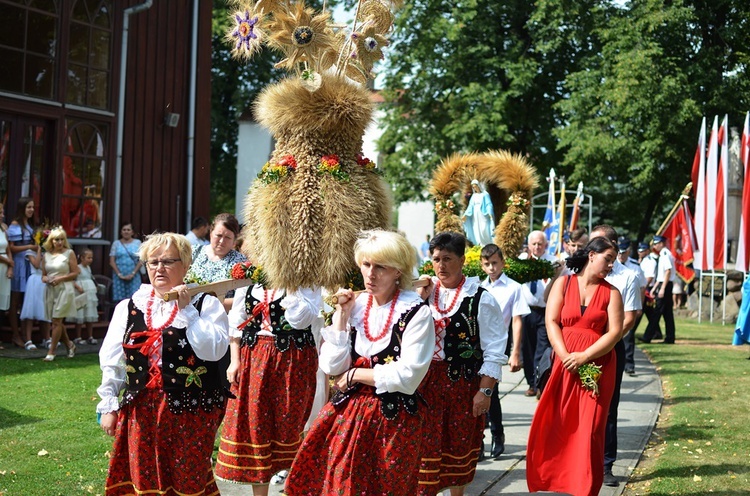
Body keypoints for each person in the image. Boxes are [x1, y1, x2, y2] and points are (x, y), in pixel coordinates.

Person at [285, 230, 434, 495]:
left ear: (398, 271)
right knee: (342, 484)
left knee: (387, 487)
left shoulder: (416, 312)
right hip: (350, 413)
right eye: (366, 265)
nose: (371, 274)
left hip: (394, 416)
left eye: (381, 267)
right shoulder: (356, 305)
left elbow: (409, 376)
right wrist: (341, 315)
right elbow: (331, 366)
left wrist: (356, 375)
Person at [96, 232, 230, 496]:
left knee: (187, 480)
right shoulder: (129, 307)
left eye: (168, 261)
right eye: (152, 262)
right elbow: (113, 360)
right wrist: (109, 403)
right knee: (144, 479)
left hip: (191, 411)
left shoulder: (205, 304)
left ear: (186, 264)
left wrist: (187, 311)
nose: (159, 268)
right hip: (141, 410)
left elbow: (214, 351)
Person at [526, 237, 623, 496]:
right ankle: (559, 480)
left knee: (590, 429)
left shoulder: (613, 293)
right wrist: (565, 355)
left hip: (598, 367)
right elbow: (552, 321)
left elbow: (614, 333)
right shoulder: (563, 283)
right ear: (592, 255)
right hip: (564, 363)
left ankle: (586, 487)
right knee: (558, 422)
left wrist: (585, 356)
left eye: (613, 261)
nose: (611, 265)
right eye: (608, 259)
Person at [415, 231, 507, 496]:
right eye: (436, 259)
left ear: (462, 260)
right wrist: (419, 299)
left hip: (463, 385)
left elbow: (494, 350)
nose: (441, 266)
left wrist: (485, 391)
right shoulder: (423, 295)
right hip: (425, 385)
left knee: (457, 449)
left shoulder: (481, 298)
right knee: (425, 451)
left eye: (448, 258)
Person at [215, 281, 322, 495]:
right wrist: (234, 361)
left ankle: (294, 488)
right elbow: (236, 326)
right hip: (253, 358)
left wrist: (291, 284)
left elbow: (300, 321)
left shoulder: (306, 285)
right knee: (256, 426)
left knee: (289, 424)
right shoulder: (249, 283)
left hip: (293, 360)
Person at [589, 227, 641, 488]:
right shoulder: (580, 271)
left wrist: (605, 343)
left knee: (607, 407)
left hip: (610, 347)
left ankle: (606, 464)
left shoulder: (626, 276)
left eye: (601, 242)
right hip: (579, 348)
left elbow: (630, 317)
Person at [480, 243, 529, 459]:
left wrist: (515, 352)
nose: (491, 268)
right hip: (477, 347)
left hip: (497, 347)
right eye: (487, 264)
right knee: (475, 393)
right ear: (482, 266)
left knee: (491, 393)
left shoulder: (514, 288)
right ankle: (477, 440)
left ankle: (497, 435)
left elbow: (517, 320)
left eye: (494, 263)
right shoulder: (479, 288)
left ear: (502, 263)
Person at [519, 230, 557, 396]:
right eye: (534, 244)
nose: (537, 247)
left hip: (544, 311)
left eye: (540, 244)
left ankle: (539, 383)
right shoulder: (522, 262)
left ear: (546, 245)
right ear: (529, 245)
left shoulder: (553, 262)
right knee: (527, 350)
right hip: (526, 311)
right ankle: (531, 383)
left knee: (541, 350)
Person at [185, 213, 246, 312]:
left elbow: (243, 299)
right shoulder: (193, 253)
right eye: (218, 235)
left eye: (228, 237)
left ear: (234, 240)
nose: (222, 241)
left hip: (221, 317)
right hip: (188, 314)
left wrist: (208, 305)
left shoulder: (240, 262)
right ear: (210, 233)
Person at [42, 228, 80, 361]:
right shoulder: (46, 255)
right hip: (51, 289)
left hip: (65, 288)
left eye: (62, 239)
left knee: (57, 321)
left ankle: (51, 351)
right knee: (56, 321)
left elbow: (75, 272)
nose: (59, 242)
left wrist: (60, 278)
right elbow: (43, 275)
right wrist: (48, 279)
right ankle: (70, 345)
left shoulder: (69, 253)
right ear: (51, 241)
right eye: (56, 239)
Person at [7, 197, 36, 349]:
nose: (31, 210)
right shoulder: (15, 224)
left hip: (29, 264)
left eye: (32, 207)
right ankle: (15, 334)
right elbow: (11, 248)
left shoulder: (29, 225)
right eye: (29, 207)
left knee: (26, 300)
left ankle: (26, 335)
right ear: (22, 208)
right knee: (15, 300)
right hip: (19, 264)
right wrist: (29, 246)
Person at [617, 238, 646, 377]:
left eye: (623, 253)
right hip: (615, 306)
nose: (621, 256)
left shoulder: (635, 266)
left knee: (628, 336)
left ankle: (629, 364)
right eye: (619, 252)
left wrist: (639, 306)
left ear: (628, 252)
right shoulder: (612, 265)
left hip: (629, 306)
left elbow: (642, 287)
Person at [641, 235, 676, 344]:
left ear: (662, 243)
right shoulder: (663, 254)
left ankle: (647, 336)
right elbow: (661, 275)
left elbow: (668, 272)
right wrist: (655, 287)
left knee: (657, 312)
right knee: (667, 313)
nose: (655, 246)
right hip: (663, 284)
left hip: (665, 285)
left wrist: (662, 289)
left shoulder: (665, 254)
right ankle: (670, 337)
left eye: (656, 244)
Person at [20, 247, 50, 348]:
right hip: (34, 281)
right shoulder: (29, 252)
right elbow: (36, 265)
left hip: (45, 281)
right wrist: (39, 250)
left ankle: (46, 338)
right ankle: (28, 339)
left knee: (46, 310)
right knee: (30, 311)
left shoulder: (49, 252)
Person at [69, 249, 100, 345]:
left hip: (89, 293)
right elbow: (72, 280)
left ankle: (90, 336)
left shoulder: (88, 268)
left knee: (89, 314)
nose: (90, 260)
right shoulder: (78, 268)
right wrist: (78, 287)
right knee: (80, 315)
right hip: (80, 293)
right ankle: (78, 336)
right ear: (82, 258)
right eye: (88, 258)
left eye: (91, 258)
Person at [109, 222, 142, 303]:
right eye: (124, 230)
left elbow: (141, 260)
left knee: (134, 299)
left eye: (128, 230)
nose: (126, 232)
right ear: (121, 232)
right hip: (119, 277)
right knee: (120, 301)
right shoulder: (116, 243)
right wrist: (119, 275)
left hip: (134, 276)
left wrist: (133, 273)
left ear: (132, 232)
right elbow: (111, 261)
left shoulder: (137, 243)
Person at [462, 179, 495, 246]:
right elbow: (470, 206)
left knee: (484, 229)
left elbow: (489, 204)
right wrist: (465, 215)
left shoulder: (485, 194)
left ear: (479, 186)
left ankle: (487, 244)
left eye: (475, 186)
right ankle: (479, 244)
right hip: (475, 215)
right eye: (473, 187)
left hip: (483, 214)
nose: (474, 188)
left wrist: (489, 212)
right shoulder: (474, 196)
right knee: (476, 229)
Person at [0, 203, 14, 346]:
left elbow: (8, 248)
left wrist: (10, 266)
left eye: (2, 212)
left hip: (4, 269)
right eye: (0, 212)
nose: (2, 215)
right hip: (2, 262)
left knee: (2, 303)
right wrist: (8, 261)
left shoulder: (3, 229)